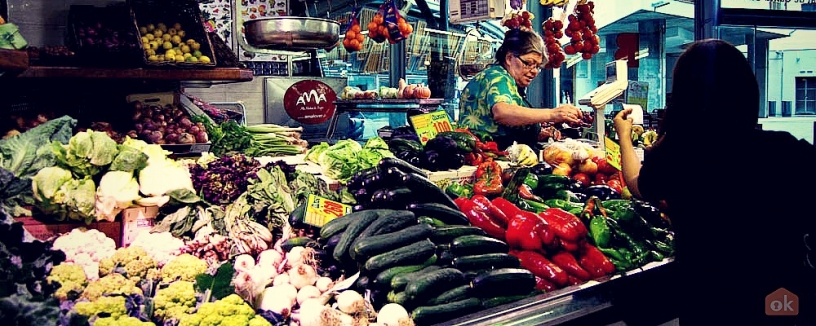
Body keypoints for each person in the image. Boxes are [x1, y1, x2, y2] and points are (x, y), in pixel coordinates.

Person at [613, 39, 816, 325]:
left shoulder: (678, 153)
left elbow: (636, 184)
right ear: (747, 92)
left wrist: (624, 134)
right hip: (780, 297)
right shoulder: (785, 148)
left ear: (683, 96)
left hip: (710, 296)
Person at [458, 28, 582, 150]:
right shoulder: (497, 77)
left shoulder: (509, 82)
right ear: (509, 58)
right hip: (486, 158)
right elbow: (502, 112)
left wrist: (538, 133)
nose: (534, 71)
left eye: (537, 66)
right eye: (528, 63)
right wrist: (552, 114)